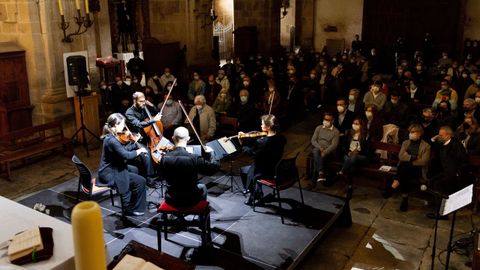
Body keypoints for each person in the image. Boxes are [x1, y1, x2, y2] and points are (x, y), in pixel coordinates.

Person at [98, 113, 148, 216]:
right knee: (141, 181)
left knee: (134, 170)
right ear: (115, 125)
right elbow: (126, 155)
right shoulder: (111, 140)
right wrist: (139, 150)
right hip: (110, 172)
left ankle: (132, 199)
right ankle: (130, 208)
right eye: (122, 124)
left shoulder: (113, 136)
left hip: (115, 166)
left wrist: (134, 144)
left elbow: (122, 151)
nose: (124, 126)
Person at [159, 127, 219, 208]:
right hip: (191, 200)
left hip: (171, 199)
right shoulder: (194, 158)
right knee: (202, 186)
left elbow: (161, 175)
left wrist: (165, 156)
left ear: (173, 138)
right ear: (188, 138)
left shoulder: (165, 157)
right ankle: (200, 214)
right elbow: (213, 169)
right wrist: (212, 153)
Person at [240, 115, 286, 205]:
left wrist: (242, 142)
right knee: (252, 167)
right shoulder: (282, 138)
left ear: (268, 127)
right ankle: (258, 192)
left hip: (264, 171)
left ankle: (253, 194)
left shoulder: (262, 142)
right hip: (276, 168)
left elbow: (250, 152)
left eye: (262, 124)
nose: (260, 126)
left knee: (243, 170)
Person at [384, 124, 431, 212]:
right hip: (406, 169)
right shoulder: (406, 143)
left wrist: (408, 158)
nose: (411, 134)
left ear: (419, 133)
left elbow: (424, 161)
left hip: (418, 170)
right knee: (405, 171)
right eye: (410, 132)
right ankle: (404, 199)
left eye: (413, 132)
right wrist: (414, 157)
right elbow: (401, 157)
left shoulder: (426, 146)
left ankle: (392, 188)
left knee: (405, 167)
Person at [427, 126, 468, 218]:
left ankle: (441, 213)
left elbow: (464, 160)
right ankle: (438, 205)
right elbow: (433, 146)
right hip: (445, 172)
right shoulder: (442, 143)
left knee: (438, 184)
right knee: (431, 181)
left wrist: (458, 173)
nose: (439, 137)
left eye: (441, 135)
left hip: (455, 174)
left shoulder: (455, 145)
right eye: (439, 135)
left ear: (448, 135)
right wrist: (433, 139)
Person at [124, 92, 162, 186]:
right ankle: (149, 178)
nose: (143, 103)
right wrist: (153, 120)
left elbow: (157, 112)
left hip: (147, 136)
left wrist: (151, 105)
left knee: (162, 147)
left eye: (144, 101)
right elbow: (138, 124)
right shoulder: (129, 112)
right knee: (146, 152)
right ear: (134, 101)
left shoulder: (144, 107)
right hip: (135, 139)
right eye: (141, 101)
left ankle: (161, 171)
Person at [337, 118, 369, 197]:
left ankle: (342, 171)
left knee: (353, 157)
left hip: (361, 156)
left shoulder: (366, 135)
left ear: (361, 126)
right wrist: (348, 152)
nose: (354, 125)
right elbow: (343, 146)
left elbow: (368, 151)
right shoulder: (348, 133)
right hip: (348, 155)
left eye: (357, 124)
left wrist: (358, 152)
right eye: (353, 123)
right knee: (351, 164)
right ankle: (350, 188)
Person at [311, 112, 340, 186]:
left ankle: (314, 181)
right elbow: (313, 140)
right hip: (318, 148)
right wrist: (320, 148)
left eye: (328, 120)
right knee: (316, 151)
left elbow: (334, 145)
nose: (326, 121)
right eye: (325, 119)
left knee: (316, 159)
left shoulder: (336, 132)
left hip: (329, 151)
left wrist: (325, 152)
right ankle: (321, 173)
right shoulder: (318, 128)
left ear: (332, 120)